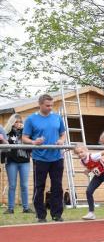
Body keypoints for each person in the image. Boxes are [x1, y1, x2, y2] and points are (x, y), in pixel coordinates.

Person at [21, 94, 66, 223]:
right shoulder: (31, 119)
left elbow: (63, 134)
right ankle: (41, 215)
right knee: (39, 187)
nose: (50, 107)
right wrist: (34, 142)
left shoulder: (57, 117)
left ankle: (56, 214)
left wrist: (61, 141)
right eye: (47, 105)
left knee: (57, 186)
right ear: (40, 104)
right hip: (40, 158)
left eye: (51, 105)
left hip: (57, 157)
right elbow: (24, 138)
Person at [75, 135, 104, 220]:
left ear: (86, 150)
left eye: (81, 152)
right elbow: (92, 166)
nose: (80, 154)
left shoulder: (93, 156)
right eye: (78, 153)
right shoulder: (82, 162)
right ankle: (91, 213)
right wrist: (88, 170)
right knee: (89, 191)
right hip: (98, 176)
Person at [3, 115, 32, 214]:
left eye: (20, 121)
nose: (18, 123)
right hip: (11, 161)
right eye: (16, 122)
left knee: (24, 185)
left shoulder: (26, 132)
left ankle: (26, 208)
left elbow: (30, 144)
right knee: (12, 185)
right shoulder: (7, 133)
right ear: (12, 123)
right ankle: (10, 208)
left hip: (25, 161)